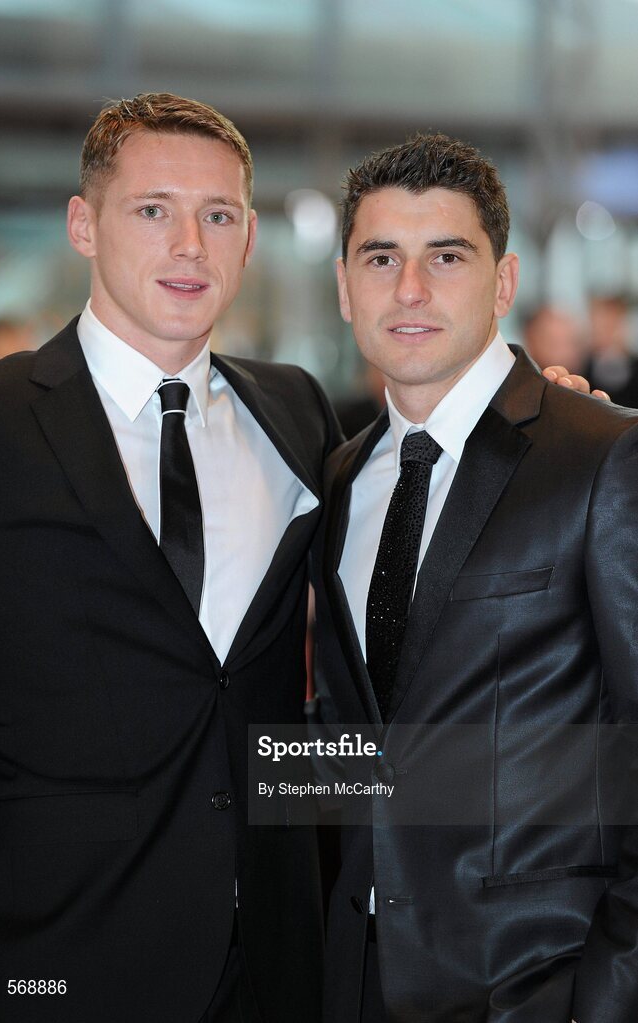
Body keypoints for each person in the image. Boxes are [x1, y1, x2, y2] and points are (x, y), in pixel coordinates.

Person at [0, 92, 340, 1023]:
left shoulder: (297, 413)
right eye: (153, 209)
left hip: (274, 967)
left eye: (218, 216)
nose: (189, 246)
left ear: (249, 239)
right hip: (50, 967)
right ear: (83, 225)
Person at [313, 132, 638, 1022]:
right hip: (352, 975)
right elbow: (358, 748)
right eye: (381, 257)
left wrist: (603, 996)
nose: (409, 289)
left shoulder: (601, 456)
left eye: (446, 256)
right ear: (343, 286)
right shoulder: (338, 477)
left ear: (503, 282)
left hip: (532, 982)